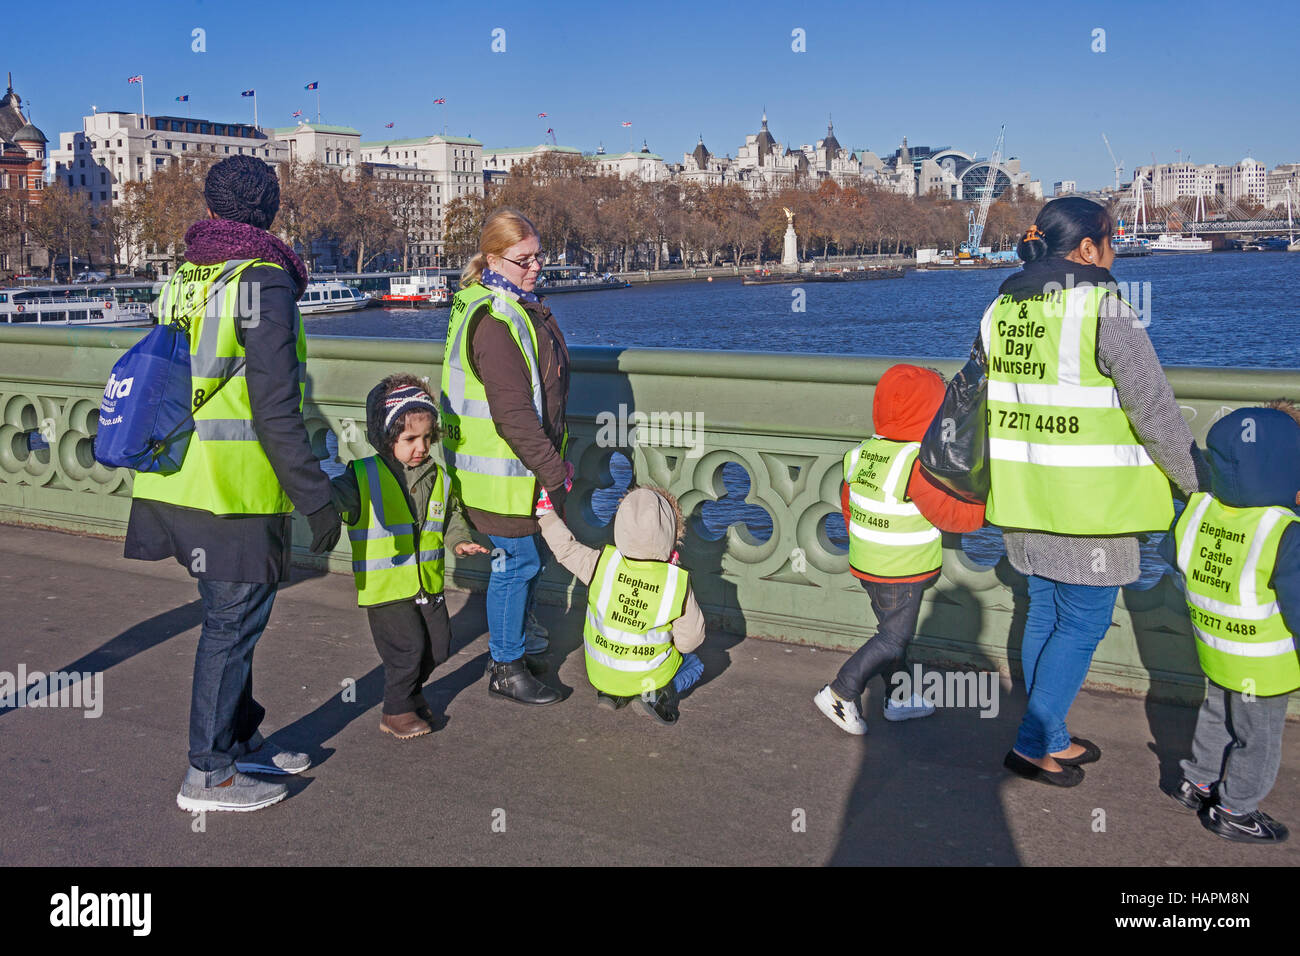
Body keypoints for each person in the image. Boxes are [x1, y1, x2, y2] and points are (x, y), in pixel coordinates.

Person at [125, 155, 342, 812]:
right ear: (270, 211)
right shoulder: (266, 280)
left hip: (171, 475)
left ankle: (241, 739)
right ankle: (209, 772)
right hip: (231, 486)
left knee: (234, 616)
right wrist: (316, 495)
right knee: (232, 621)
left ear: (212, 209)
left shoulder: (186, 275)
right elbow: (274, 404)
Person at [976, 197, 1202, 787]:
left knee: (1045, 612)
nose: (1116, 249)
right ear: (1086, 250)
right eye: (1111, 238)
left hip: (1025, 495)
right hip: (1090, 507)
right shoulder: (1105, 310)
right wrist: (1200, 484)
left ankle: (1050, 735)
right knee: (1080, 624)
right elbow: (1155, 413)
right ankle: (1030, 746)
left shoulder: (1001, 309)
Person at [439, 209, 569, 705]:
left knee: (522, 562)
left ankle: (521, 642)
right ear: (493, 258)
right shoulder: (493, 319)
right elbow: (512, 411)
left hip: (501, 468)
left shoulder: (491, 303)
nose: (535, 267)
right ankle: (505, 666)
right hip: (499, 472)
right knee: (516, 564)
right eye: (523, 259)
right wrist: (554, 469)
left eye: (539, 256)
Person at [814, 364, 984, 735]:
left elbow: (848, 503)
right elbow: (950, 515)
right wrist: (986, 509)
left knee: (890, 633)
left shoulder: (862, 453)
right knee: (893, 638)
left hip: (867, 564)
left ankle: (899, 699)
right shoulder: (916, 463)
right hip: (900, 570)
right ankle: (840, 692)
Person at [1161, 402, 1300, 843]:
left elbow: (1172, 555)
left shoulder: (1200, 510)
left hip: (1214, 644)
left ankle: (1196, 781)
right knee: (1256, 739)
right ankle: (1236, 809)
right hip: (1264, 662)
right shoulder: (1284, 530)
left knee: (1217, 711)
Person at [329, 374, 487, 739]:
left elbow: (449, 518)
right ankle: (395, 710)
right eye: (410, 439)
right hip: (385, 585)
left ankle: (411, 695)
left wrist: (459, 542)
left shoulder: (439, 477)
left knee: (439, 646)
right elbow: (334, 499)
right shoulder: (362, 475)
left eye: (427, 438)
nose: (421, 447)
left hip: (426, 582)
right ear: (387, 439)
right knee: (408, 649)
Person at [537, 486, 705, 724]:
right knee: (694, 664)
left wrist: (546, 513)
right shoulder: (674, 581)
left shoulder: (602, 564)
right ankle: (655, 695)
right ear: (671, 530)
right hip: (647, 676)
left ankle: (613, 693)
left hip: (600, 673)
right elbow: (690, 642)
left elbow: (565, 549)